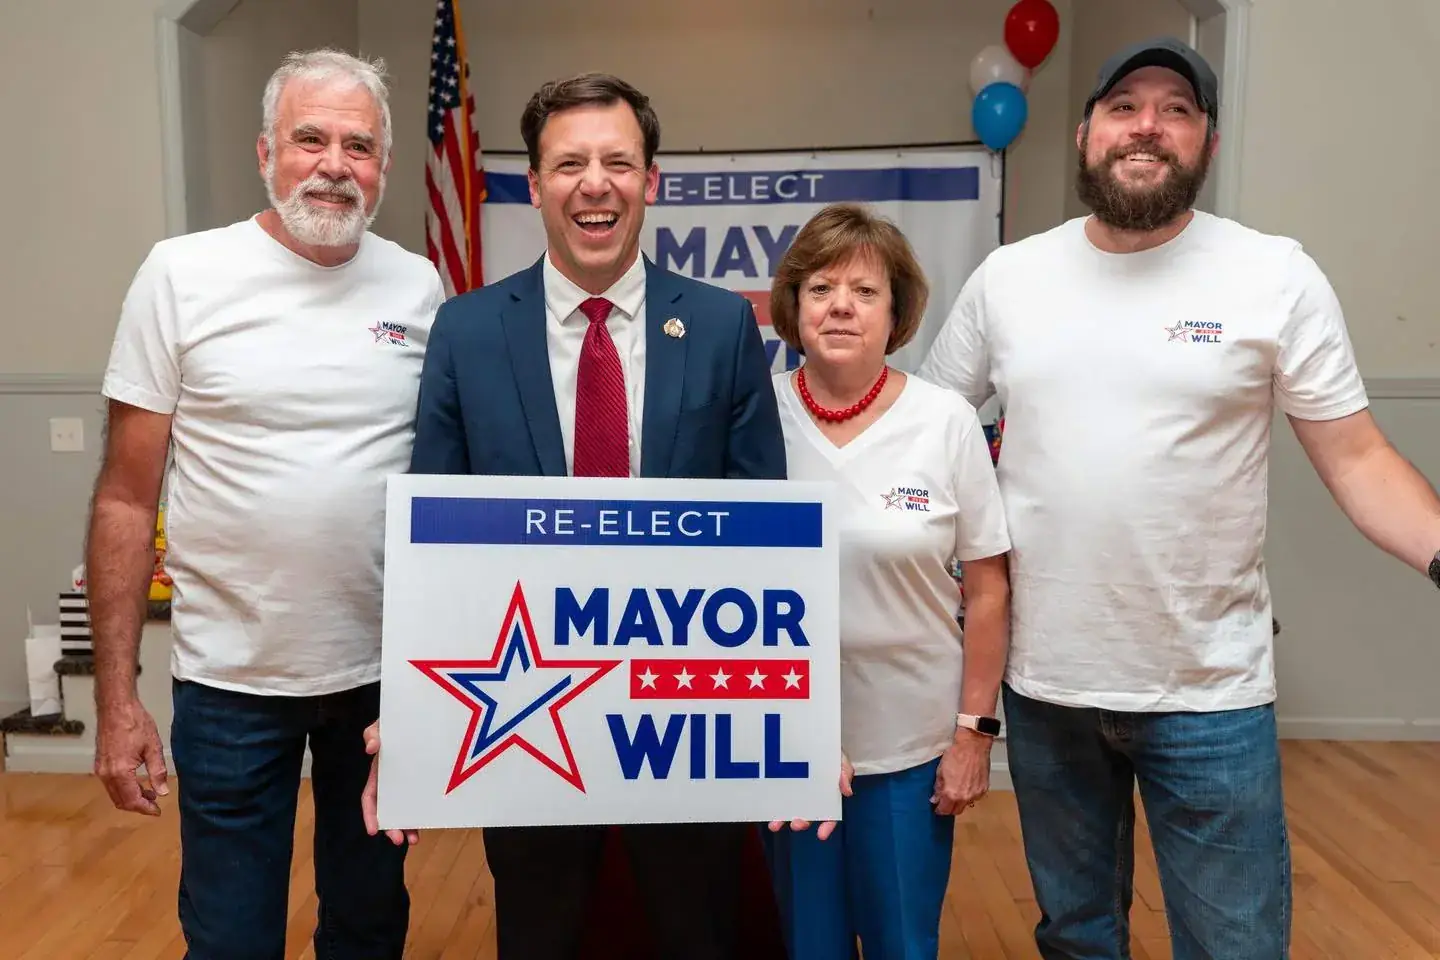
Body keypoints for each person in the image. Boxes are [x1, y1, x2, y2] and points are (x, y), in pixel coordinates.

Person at [918, 36, 1440, 960]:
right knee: (1077, 937)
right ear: (1085, 134)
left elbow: (1358, 459)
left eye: (1176, 110)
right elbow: (929, 435)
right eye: (1124, 107)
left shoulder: (1273, 275)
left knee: (1235, 945)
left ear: (1209, 141)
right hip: (1046, 683)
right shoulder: (1010, 279)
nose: (1147, 126)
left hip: (1210, 691)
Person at [359, 73, 786, 959]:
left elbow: (764, 531)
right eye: (569, 164)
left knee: (696, 935)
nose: (596, 183)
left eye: (618, 162)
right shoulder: (467, 331)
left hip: (682, 714)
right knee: (540, 936)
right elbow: (433, 537)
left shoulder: (720, 327)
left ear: (651, 180)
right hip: (523, 707)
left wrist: (789, 714)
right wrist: (413, 706)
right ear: (535, 185)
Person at [87, 48, 443, 959]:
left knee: (369, 925)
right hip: (229, 681)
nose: (334, 165)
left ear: (383, 166)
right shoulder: (180, 274)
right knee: (230, 936)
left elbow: (445, 489)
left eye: (358, 146)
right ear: (265, 152)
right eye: (309, 139)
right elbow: (125, 498)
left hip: (382, 680)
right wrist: (117, 699)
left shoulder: (418, 287)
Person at [759, 204, 1011, 959]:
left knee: (904, 942)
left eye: (865, 291)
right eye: (821, 288)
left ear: (896, 313)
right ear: (793, 306)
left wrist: (973, 735)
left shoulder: (946, 421)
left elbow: (989, 589)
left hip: (911, 745)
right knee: (809, 945)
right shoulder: (754, 416)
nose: (841, 306)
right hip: (785, 742)